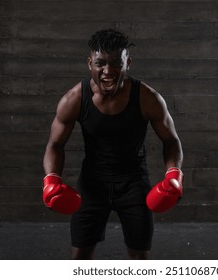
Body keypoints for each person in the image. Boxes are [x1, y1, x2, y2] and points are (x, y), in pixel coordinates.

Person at [42, 29, 183, 260]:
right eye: (100, 63)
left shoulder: (148, 98)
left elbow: (171, 140)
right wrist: (51, 179)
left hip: (134, 183)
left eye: (116, 63)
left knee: (140, 259)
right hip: (92, 184)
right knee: (79, 259)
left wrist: (174, 174)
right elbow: (55, 144)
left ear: (128, 63)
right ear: (90, 64)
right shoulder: (75, 99)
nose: (108, 71)